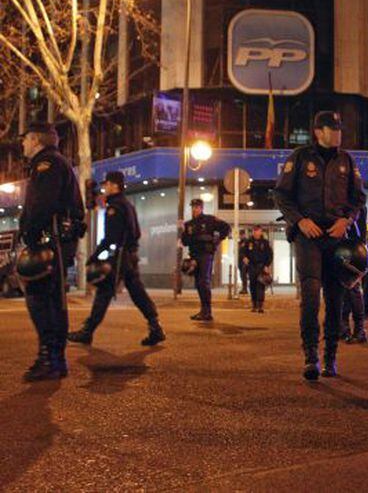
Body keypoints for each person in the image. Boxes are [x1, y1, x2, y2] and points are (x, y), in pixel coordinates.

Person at [274, 111, 366, 381]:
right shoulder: (301, 157)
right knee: (311, 296)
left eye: (339, 128)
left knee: (336, 299)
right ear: (318, 131)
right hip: (308, 236)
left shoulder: (346, 160)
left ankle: (331, 358)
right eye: (331, 128)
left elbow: (358, 197)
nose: (337, 132)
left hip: (337, 238)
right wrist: (300, 221)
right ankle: (311, 356)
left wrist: (346, 220)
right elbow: (281, 194)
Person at [68, 171, 165, 346]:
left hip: (120, 257)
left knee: (104, 292)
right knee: (137, 293)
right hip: (130, 255)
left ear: (114, 185)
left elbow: (110, 238)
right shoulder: (127, 205)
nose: (104, 188)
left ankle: (87, 331)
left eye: (106, 184)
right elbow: (136, 233)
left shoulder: (115, 207)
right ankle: (155, 326)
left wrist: (94, 257)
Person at [19, 122, 85, 381]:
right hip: (55, 240)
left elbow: (41, 204)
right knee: (50, 298)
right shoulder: (53, 162)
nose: (22, 144)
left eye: (25, 139)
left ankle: (51, 358)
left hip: (51, 240)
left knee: (42, 298)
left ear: (35, 140)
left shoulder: (47, 163)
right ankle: (53, 358)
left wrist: (31, 234)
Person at [181, 198, 231, 321]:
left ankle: (207, 312)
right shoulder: (189, 224)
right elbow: (185, 242)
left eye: (197, 207)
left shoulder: (209, 220)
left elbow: (226, 227)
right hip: (194, 256)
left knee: (204, 282)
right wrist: (182, 231)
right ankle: (203, 310)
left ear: (201, 208)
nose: (194, 209)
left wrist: (218, 240)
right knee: (198, 283)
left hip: (206, 255)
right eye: (193, 207)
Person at [340, 209, 368, 344]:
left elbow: (361, 235)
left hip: (353, 254)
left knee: (352, 294)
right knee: (346, 295)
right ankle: (346, 330)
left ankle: (357, 330)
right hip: (345, 253)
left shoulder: (358, 207)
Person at [240, 225, 273, 313]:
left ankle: (260, 306)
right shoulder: (248, 242)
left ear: (261, 232)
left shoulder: (265, 243)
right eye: (254, 231)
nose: (256, 232)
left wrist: (267, 265)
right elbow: (242, 252)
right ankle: (254, 305)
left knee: (261, 286)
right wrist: (244, 257)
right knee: (253, 286)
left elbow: (270, 255)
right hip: (252, 266)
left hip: (261, 267)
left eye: (258, 231)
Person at [238, 230, 249, 294]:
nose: (241, 236)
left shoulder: (247, 242)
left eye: (242, 235)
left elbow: (248, 251)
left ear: (244, 235)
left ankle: (245, 288)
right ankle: (244, 288)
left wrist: (246, 258)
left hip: (245, 261)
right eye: (240, 235)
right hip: (240, 261)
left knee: (244, 274)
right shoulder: (239, 242)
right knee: (242, 275)